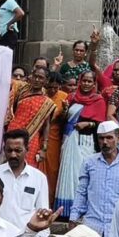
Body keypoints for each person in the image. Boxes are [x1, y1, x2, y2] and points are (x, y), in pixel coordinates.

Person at [70, 121, 119, 237]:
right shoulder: (89, 162)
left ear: (118, 139)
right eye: (101, 138)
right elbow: (81, 192)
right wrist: (73, 218)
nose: (105, 142)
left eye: (109, 138)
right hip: (92, 227)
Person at [54, 70, 105, 215]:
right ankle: (65, 210)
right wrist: (64, 111)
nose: (86, 84)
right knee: (67, 172)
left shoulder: (98, 100)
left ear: (94, 83)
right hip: (68, 138)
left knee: (81, 173)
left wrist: (88, 124)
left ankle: (81, 208)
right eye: (84, 80)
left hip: (86, 141)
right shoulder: (71, 98)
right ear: (79, 81)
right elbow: (62, 120)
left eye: (90, 81)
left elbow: (100, 124)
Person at [6, 67, 56, 171]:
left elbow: (46, 125)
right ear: (31, 77)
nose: (37, 80)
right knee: (7, 165)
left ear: (46, 81)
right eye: (35, 76)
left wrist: (44, 148)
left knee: (28, 168)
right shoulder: (21, 91)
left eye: (41, 78)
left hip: (31, 138)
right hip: (12, 133)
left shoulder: (47, 103)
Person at [42, 71, 69, 204]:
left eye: (56, 87)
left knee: (52, 170)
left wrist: (64, 111)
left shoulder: (64, 97)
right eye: (50, 87)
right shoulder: (40, 94)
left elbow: (64, 121)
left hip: (54, 137)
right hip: (37, 135)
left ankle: (50, 202)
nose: (52, 90)